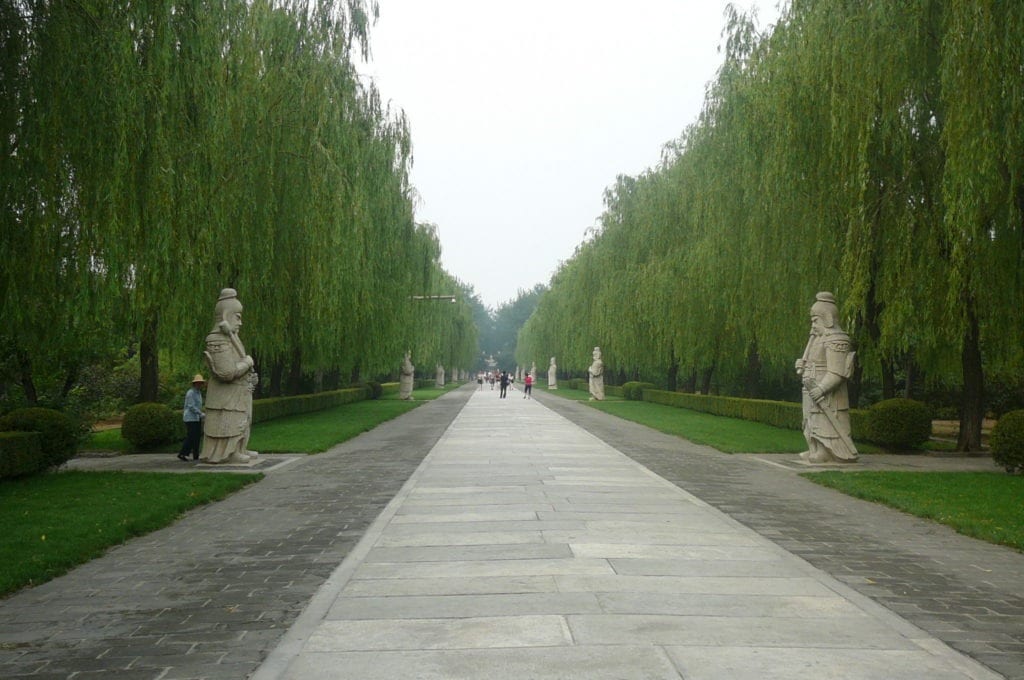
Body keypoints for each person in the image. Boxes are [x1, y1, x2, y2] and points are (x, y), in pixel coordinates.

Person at [795, 292, 858, 463]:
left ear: (828, 318)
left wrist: (821, 388)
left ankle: (826, 451)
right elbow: (812, 359)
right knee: (809, 420)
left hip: (827, 391)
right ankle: (813, 448)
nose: (813, 325)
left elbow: (836, 372)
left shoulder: (837, 339)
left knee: (824, 421)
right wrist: (802, 363)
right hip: (810, 385)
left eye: (816, 320)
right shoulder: (817, 339)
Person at [200, 288, 259, 464]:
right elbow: (226, 373)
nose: (240, 322)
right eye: (238, 317)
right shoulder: (216, 339)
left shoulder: (231, 337)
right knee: (228, 422)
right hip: (225, 396)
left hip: (238, 392)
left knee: (242, 420)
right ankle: (227, 452)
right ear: (227, 315)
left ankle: (239, 448)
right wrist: (247, 363)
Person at [177, 374, 206, 461]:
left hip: (196, 418)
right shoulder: (190, 393)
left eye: (201, 383)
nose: (200, 384)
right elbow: (191, 406)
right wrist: (201, 413)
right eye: (198, 383)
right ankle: (182, 453)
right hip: (190, 418)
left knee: (197, 437)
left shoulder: (198, 393)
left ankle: (196, 455)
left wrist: (200, 414)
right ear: (194, 383)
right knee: (191, 436)